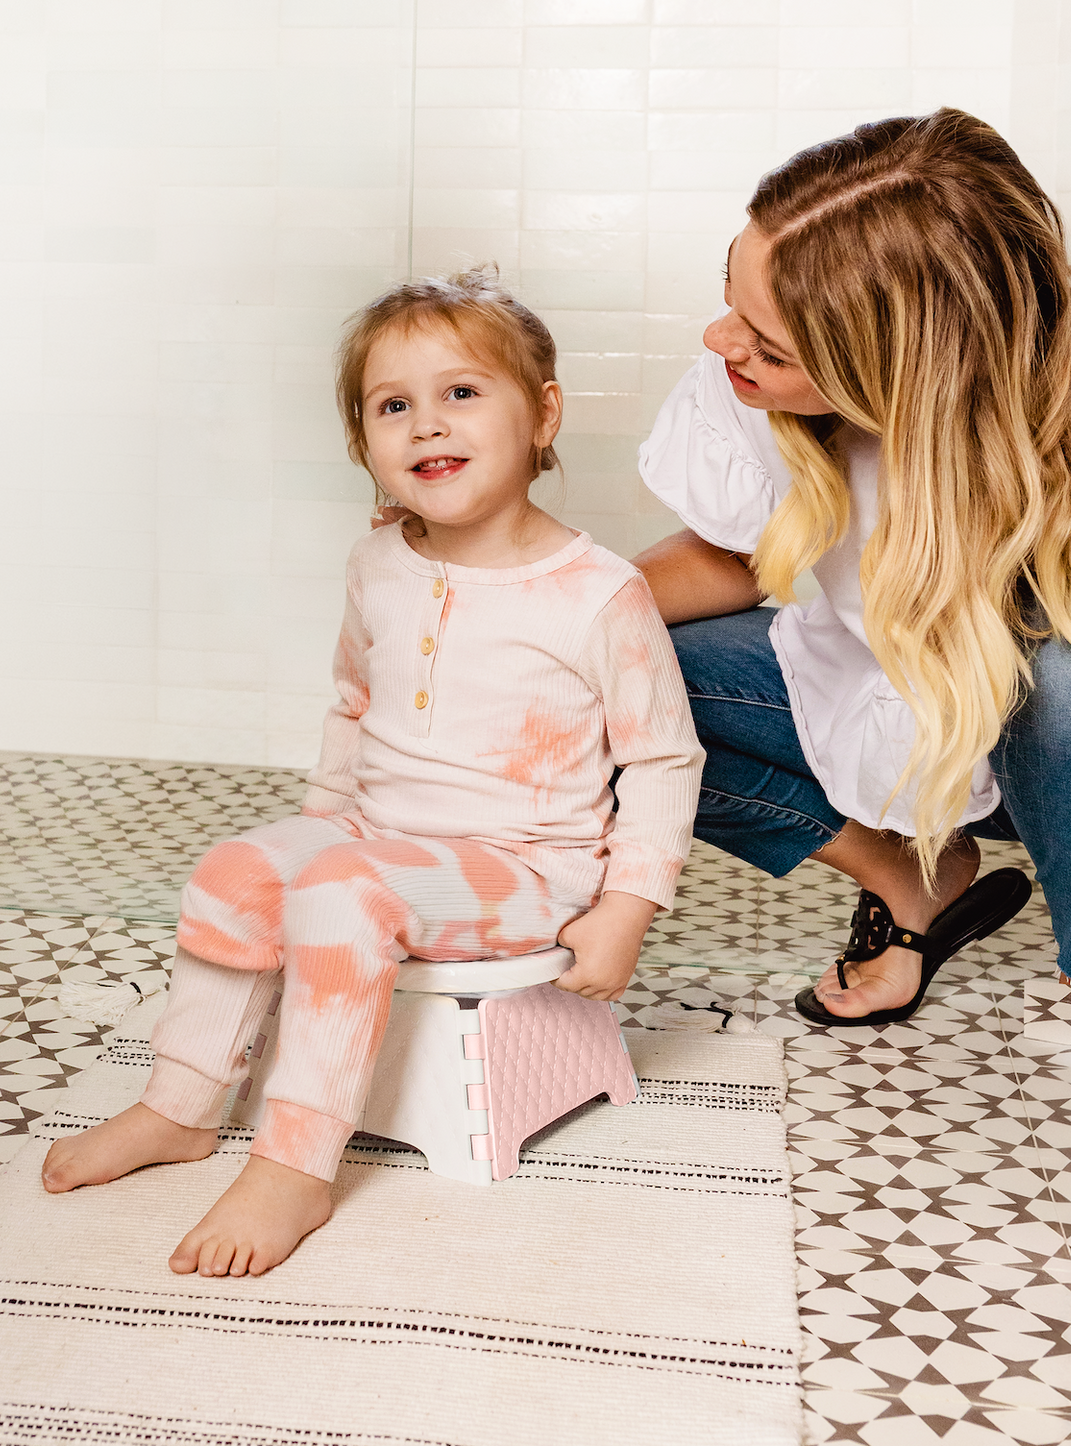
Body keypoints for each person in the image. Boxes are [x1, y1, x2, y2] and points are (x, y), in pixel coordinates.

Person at [40, 267, 704, 1276]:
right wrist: (309, 835)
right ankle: (176, 1105)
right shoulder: (379, 565)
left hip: (524, 866)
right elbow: (352, 704)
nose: (426, 425)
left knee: (345, 893)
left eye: (461, 393)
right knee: (233, 871)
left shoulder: (595, 594)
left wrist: (626, 906)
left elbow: (661, 756)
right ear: (365, 445)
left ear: (542, 415)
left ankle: (295, 1165)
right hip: (375, 838)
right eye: (393, 406)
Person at [632, 108, 1071, 1027]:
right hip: (891, 704)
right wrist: (539, 610)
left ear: (904, 371)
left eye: (771, 346)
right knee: (596, 679)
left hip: (1039, 751)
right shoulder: (747, 382)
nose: (723, 341)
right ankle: (914, 879)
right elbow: (738, 560)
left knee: (1061, 678)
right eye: (732, 292)